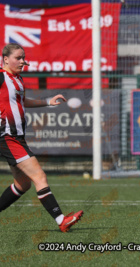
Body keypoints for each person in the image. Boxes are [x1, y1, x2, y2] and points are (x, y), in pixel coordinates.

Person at [0, 43, 83, 232]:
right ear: (5, 59)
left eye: (23, 58)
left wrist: (47, 102)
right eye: (18, 58)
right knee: (39, 176)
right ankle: (62, 220)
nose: (22, 61)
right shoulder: (1, 76)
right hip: (7, 137)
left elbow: (22, 102)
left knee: (23, 184)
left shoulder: (18, 79)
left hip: (18, 137)